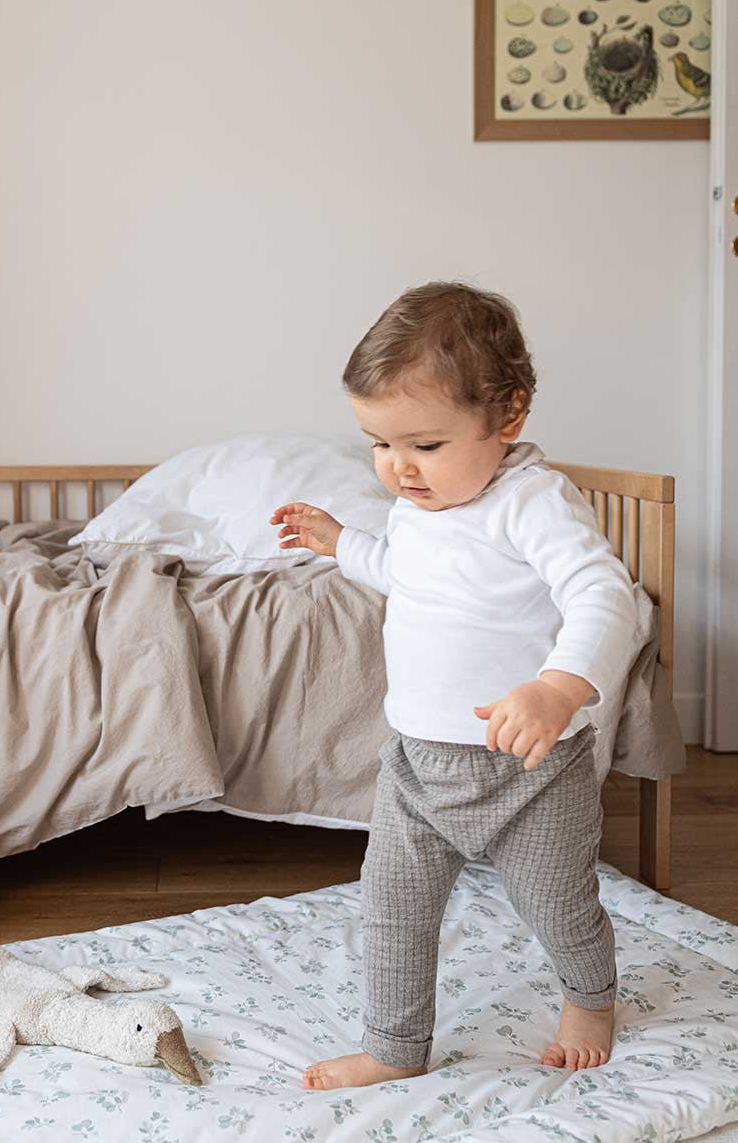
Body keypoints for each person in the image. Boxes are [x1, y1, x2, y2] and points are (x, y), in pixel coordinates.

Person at [270, 281, 638, 1090]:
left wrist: (559, 687)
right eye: (378, 444)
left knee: (559, 905)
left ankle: (591, 996)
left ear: (507, 417)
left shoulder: (533, 503)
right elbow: (408, 573)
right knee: (393, 911)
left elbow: (605, 596)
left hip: (530, 772)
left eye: (425, 445)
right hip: (415, 766)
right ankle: (396, 1046)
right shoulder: (419, 506)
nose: (399, 468)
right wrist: (343, 543)